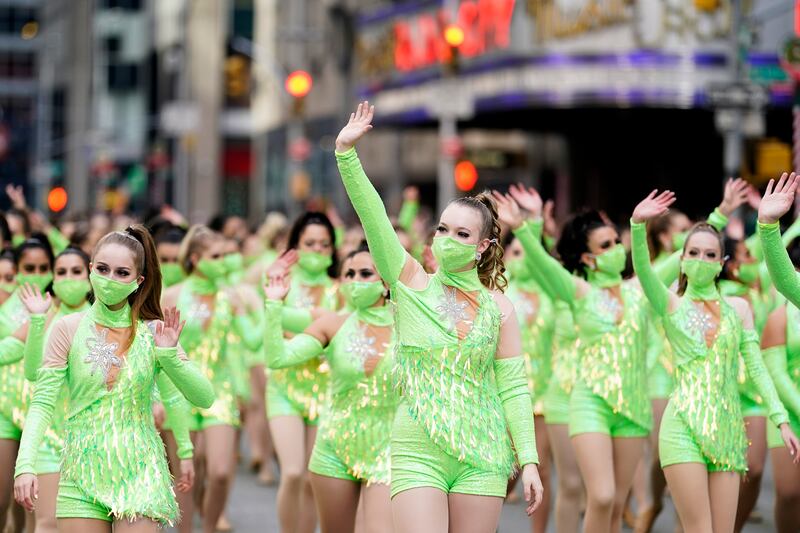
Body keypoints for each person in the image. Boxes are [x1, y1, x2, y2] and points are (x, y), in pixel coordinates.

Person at [335, 101, 542, 533]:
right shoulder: (411, 282)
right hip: (417, 448)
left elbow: (514, 389)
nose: (448, 239)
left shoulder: (500, 309)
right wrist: (347, 155)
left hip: (483, 452)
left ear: (482, 246)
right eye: (443, 229)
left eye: (462, 234)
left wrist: (530, 460)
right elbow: (374, 218)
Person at [13, 226, 214, 532]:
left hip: (140, 471)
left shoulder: (154, 332)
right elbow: (41, 402)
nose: (110, 279)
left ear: (138, 281)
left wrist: (170, 357)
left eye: (122, 273)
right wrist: (24, 465)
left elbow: (203, 397)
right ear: (91, 269)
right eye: (103, 269)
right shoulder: (67, 328)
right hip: (80, 475)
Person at [630, 189, 799, 533]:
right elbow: (644, 272)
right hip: (681, 429)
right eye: (693, 253)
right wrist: (637, 225)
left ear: (722, 262)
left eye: (710, 254)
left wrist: (780, 419)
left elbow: (756, 365)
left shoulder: (739, 309)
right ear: (681, 259)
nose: (701, 259)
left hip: (728, 430)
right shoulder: (670, 303)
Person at [264, 243, 396, 533]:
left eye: (365, 274)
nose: (355, 281)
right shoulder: (332, 324)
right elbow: (277, 358)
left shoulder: (409, 327)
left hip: (388, 452)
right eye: (348, 274)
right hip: (334, 448)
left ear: (386, 282)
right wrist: (274, 304)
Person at [162, 225, 249, 533]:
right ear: (196, 259)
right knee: (186, 475)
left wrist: (249, 310)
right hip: (179, 391)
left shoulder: (230, 297)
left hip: (219, 391)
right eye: (216, 256)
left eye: (226, 255)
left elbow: (251, 342)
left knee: (221, 471)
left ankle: (209, 526)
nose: (223, 261)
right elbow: (155, 349)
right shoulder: (172, 295)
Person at [267, 211, 339, 533]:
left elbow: (335, 328)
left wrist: (294, 324)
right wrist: (316, 323)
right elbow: (274, 319)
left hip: (325, 389)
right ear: (295, 245)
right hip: (284, 387)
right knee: (293, 472)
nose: (317, 250)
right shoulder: (280, 281)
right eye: (309, 243)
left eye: (324, 245)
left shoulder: (342, 287)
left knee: (313, 478)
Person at [760, 238, 800, 533]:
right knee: (789, 493)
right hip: (788, 412)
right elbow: (775, 371)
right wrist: (769, 225)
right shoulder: (780, 315)